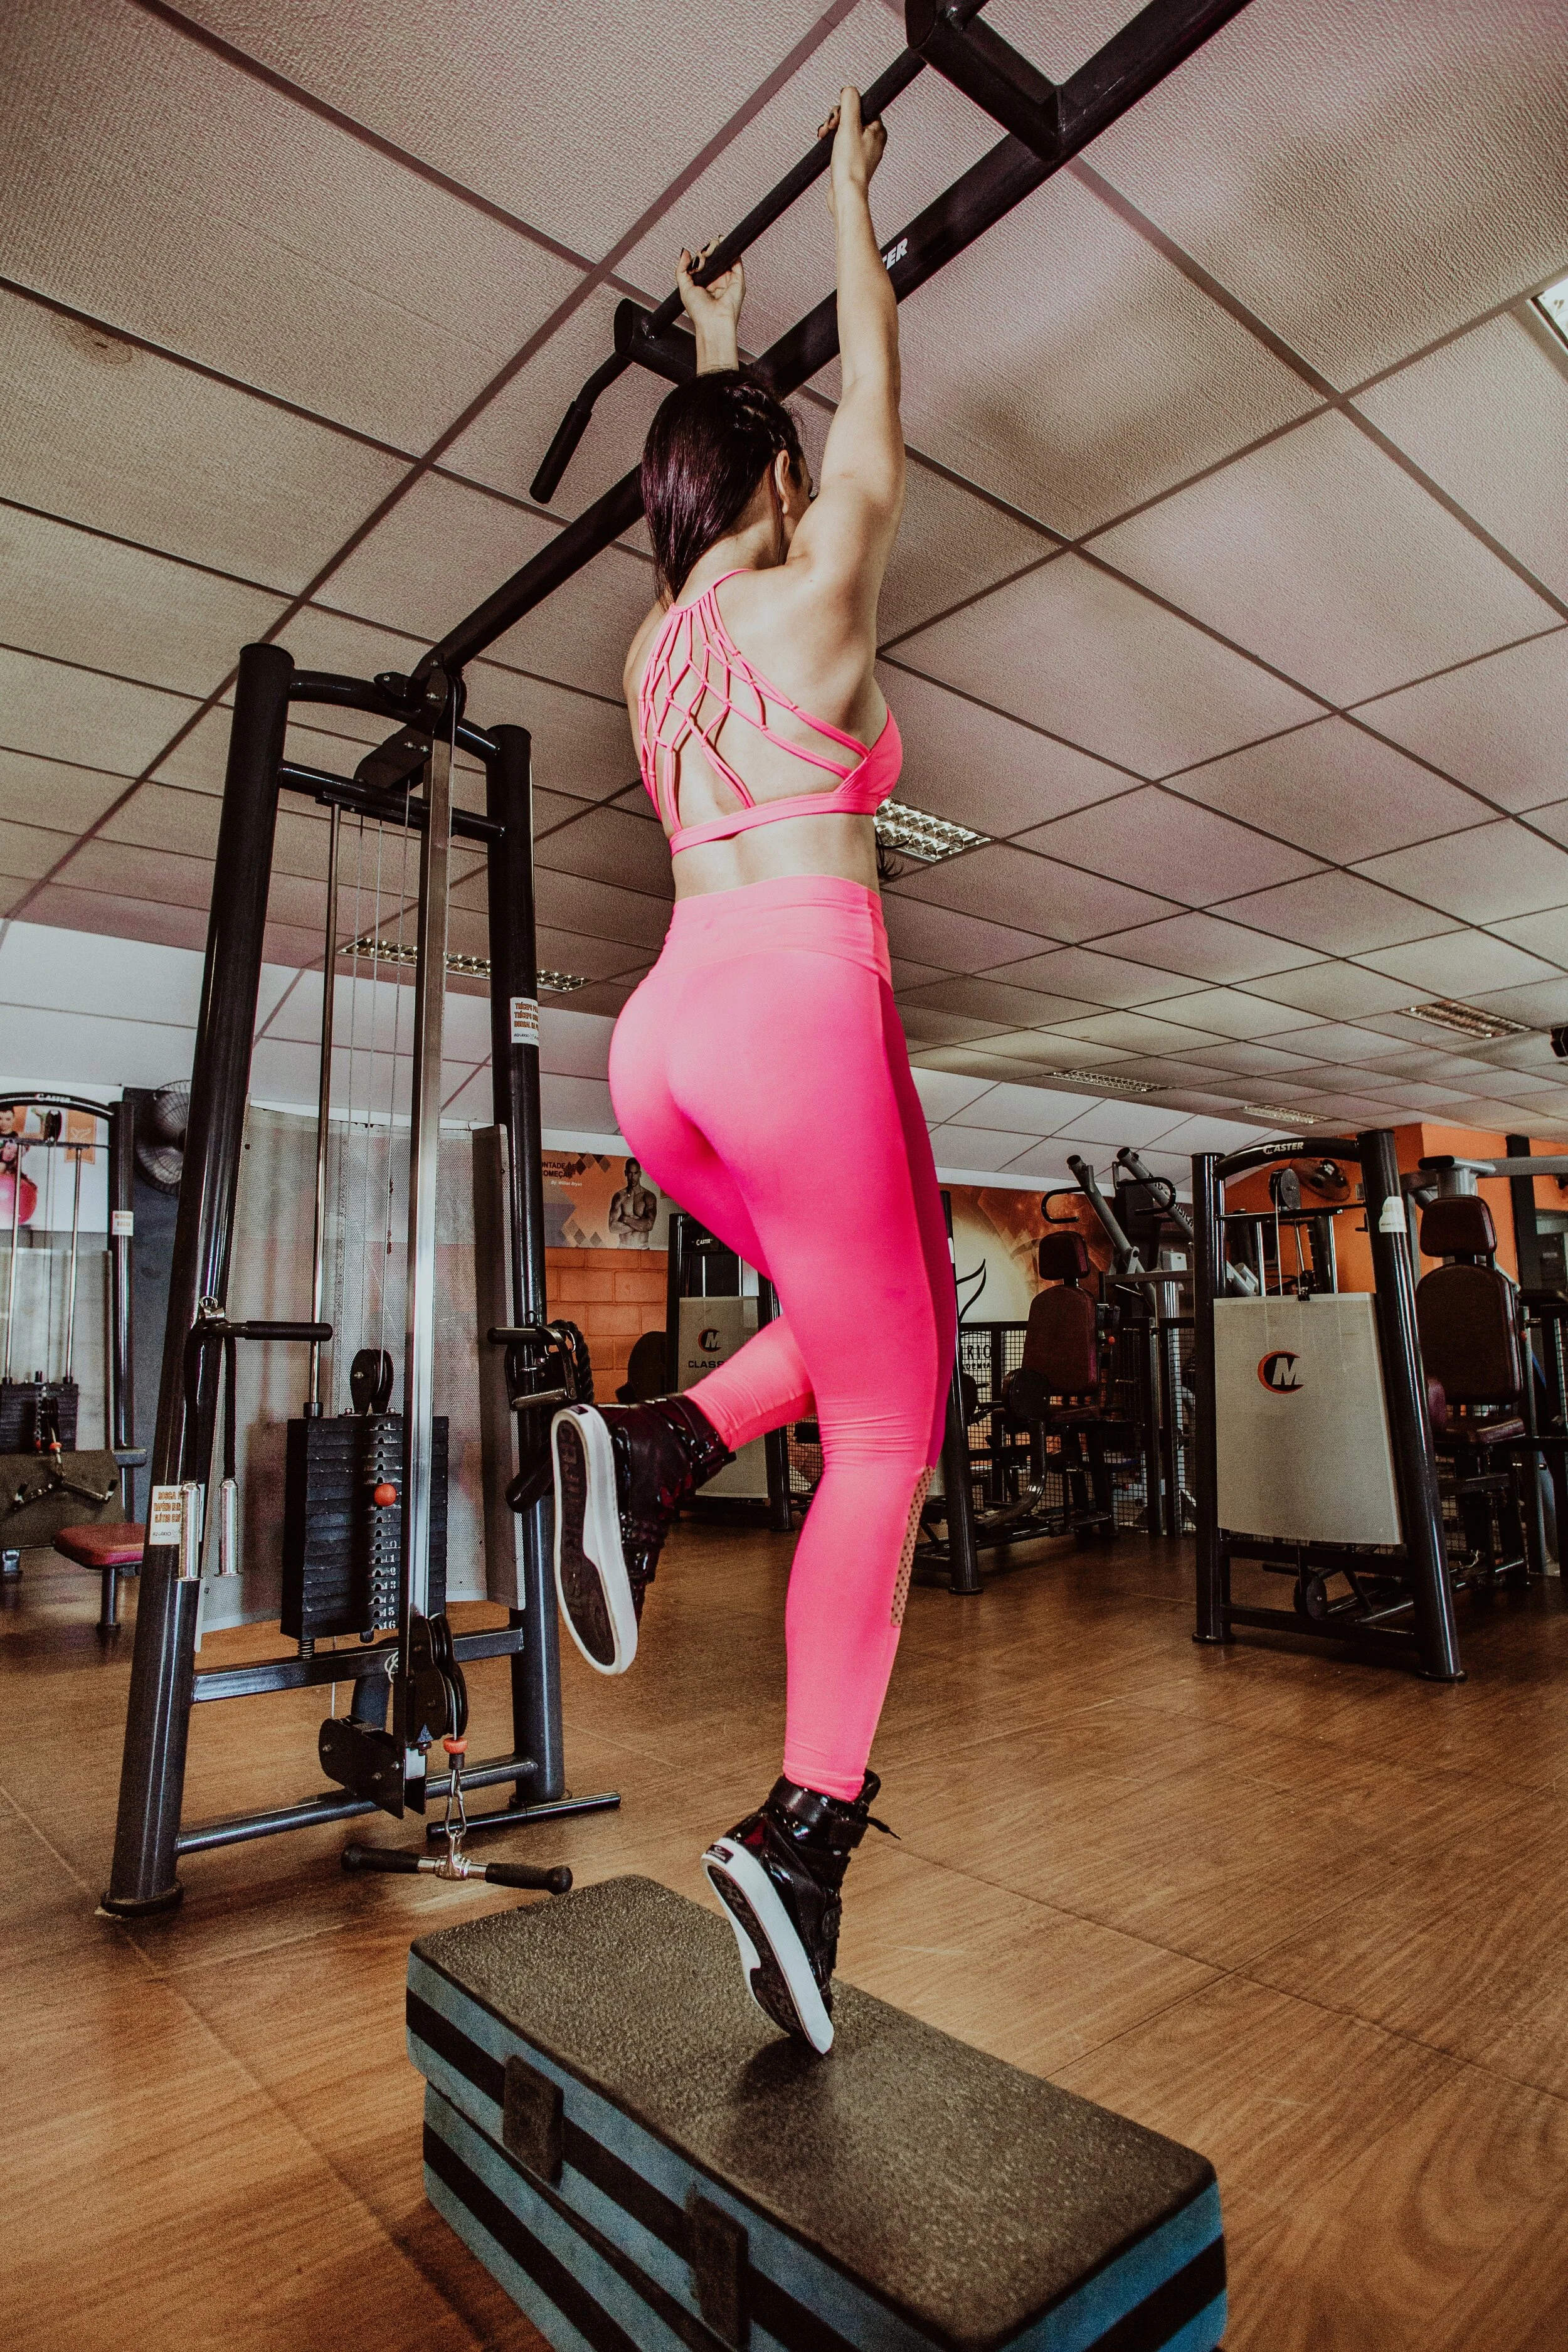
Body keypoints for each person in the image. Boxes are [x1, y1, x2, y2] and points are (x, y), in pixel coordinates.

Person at [549, 88, 953, 2056]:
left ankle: (653, 1442)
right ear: (776, 493)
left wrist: (712, 339)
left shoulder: (654, 645)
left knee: (847, 1322)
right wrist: (852, 205)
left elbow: (726, 463)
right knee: (890, 1421)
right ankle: (799, 1831)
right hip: (794, 1015)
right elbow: (865, 411)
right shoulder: (814, 588)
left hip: (667, 1040)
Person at [606, 1157, 658, 1247]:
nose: (633, 1177)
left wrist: (626, 1219)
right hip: (624, 1247)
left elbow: (649, 1225)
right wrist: (640, 1225)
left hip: (642, 1247)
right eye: (630, 1173)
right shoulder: (619, 1196)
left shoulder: (648, 1196)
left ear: (640, 1174)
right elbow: (612, 1227)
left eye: (636, 1173)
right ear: (626, 1173)